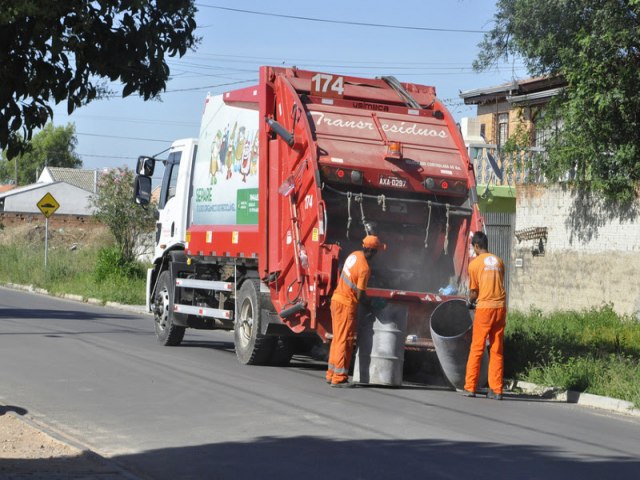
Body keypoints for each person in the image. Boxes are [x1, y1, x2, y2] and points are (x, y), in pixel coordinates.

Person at [326, 235, 386, 387]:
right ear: (372, 251)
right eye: (377, 251)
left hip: (336, 300)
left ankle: (331, 373)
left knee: (337, 339)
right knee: (344, 341)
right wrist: (372, 303)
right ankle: (339, 378)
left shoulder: (354, 255)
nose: (377, 255)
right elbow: (360, 295)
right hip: (346, 305)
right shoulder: (365, 268)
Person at [463, 231, 507, 400]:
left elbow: (475, 292)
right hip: (500, 307)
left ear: (476, 246)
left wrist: (469, 302)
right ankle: (497, 390)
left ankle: (471, 387)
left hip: (485, 308)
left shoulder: (474, 265)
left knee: (477, 348)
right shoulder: (499, 261)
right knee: (497, 349)